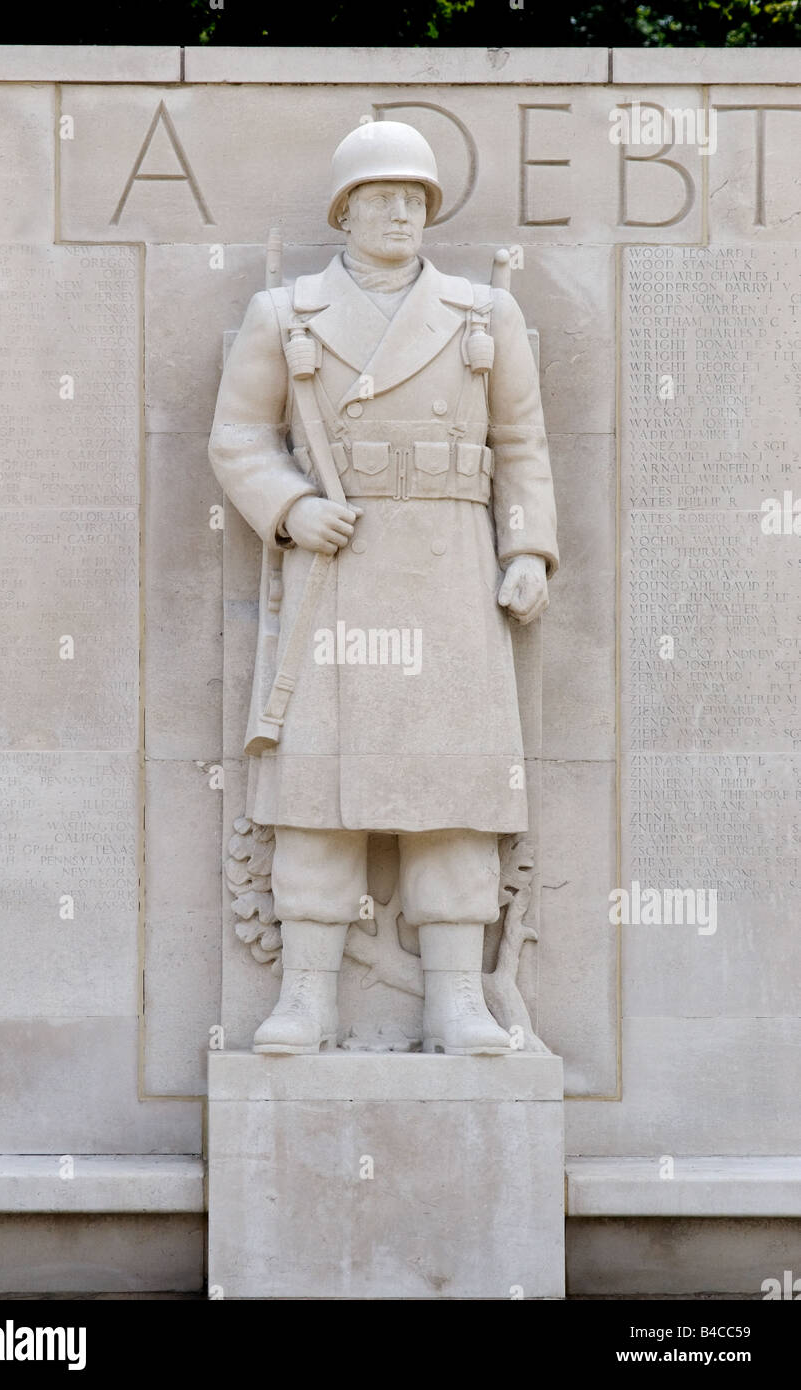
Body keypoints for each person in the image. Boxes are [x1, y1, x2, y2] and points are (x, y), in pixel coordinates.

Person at [209, 121, 559, 1055]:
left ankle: (456, 999)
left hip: (450, 571)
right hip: (339, 572)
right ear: (346, 211)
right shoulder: (287, 314)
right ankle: (307, 996)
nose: (401, 213)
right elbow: (239, 437)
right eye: (381, 197)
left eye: (416, 199)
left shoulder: (485, 315)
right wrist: (289, 509)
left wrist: (528, 551)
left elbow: (521, 447)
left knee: (454, 790)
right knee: (317, 791)